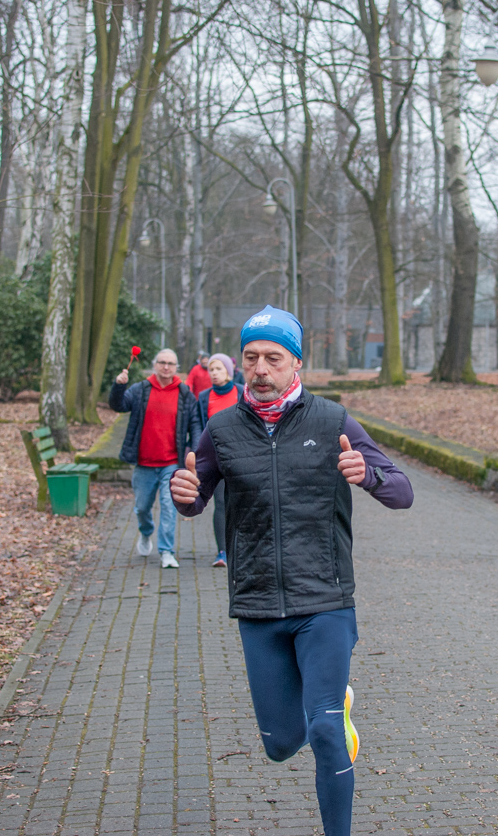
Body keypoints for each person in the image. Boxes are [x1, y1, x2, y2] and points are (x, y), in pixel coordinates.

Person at [171, 305, 412, 836]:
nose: (260, 369)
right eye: (251, 357)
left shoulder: (333, 421)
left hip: (324, 600)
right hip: (258, 603)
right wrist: (183, 494)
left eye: (273, 358)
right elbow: (195, 496)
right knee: (281, 744)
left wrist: (368, 474)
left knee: (325, 732)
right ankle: (326, 710)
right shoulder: (222, 429)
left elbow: (403, 492)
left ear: (297, 363)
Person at [109, 348, 198, 569]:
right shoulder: (140, 389)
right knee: (142, 508)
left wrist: (195, 451)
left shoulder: (185, 394)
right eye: (162, 362)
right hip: (144, 463)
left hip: (171, 463)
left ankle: (167, 551)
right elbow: (119, 405)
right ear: (155, 365)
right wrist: (118, 386)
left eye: (170, 363)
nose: (166, 367)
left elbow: (195, 424)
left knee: (169, 507)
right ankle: (146, 532)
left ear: (176, 367)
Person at [195, 352, 243, 568]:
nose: (214, 373)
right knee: (221, 503)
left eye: (218, 369)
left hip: (241, 457)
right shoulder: (204, 397)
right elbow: (199, 426)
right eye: (211, 370)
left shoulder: (242, 392)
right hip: (216, 459)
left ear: (228, 372)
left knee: (243, 502)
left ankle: (240, 548)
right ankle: (222, 552)